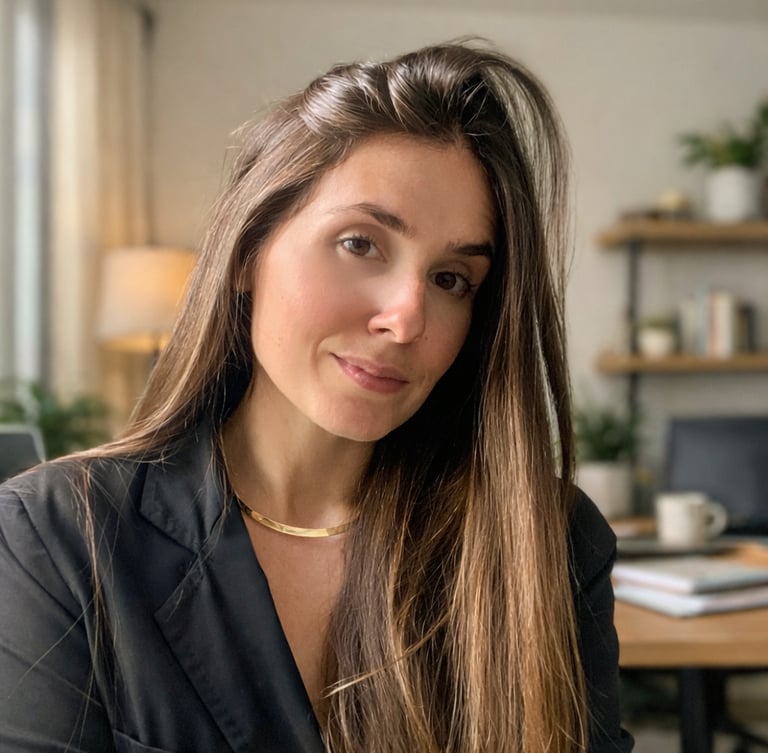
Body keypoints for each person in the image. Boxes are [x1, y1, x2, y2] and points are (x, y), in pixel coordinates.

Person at [0, 40, 633, 753]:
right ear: (247, 252)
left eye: (452, 278)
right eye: (361, 243)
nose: (406, 317)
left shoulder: (545, 541)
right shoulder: (55, 537)